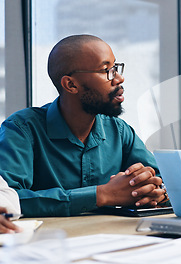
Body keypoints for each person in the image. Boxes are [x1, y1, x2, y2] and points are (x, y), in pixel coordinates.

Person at [0, 35, 167, 217]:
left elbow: (162, 180)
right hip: (48, 241)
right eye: (106, 70)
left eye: (116, 68)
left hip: (112, 237)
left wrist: (154, 189)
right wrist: (102, 195)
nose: (119, 78)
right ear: (71, 84)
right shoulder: (21, 129)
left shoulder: (119, 130)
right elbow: (9, 200)